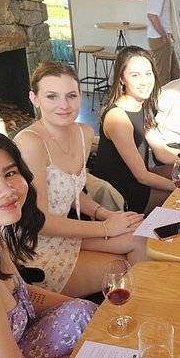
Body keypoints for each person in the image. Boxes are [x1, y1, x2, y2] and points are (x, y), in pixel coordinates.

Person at [0, 125, 97, 358]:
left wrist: (97, 314)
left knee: (87, 314)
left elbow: (21, 293)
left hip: (19, 350)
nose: (8, 190)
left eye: (10, 173)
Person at [14, 62, 147, 297]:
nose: (63, 105)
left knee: (139, 240)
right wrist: (105, 227)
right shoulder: (31, 143)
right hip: (37, 244)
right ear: (34, 99)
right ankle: (124, 319)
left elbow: (72, 189)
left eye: (71, 95)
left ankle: (145, 312)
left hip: (66, 234)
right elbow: (40, 221)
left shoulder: (84, 133)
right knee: (120, 268)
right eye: (52, 96)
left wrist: (106, 214)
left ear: (80, 96)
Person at [92, 46, 180, 215]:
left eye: (148, 74)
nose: (144, 81)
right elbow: (142, 176)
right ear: (122, 79)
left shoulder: (142, 105)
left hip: (137, 178)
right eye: (135, 75)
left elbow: (161, 152)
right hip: (122, 192)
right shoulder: (118, 117)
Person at [147, 0, 180, 87]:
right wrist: (164, 35)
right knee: (163, 77)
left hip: (164, 38)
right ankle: (159, 102)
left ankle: (171, 101)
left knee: (175, 74)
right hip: (160, 38)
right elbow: (152, 15)